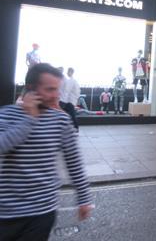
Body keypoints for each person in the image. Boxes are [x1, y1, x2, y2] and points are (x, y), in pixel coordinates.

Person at [0, 63, 92, 240]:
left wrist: (84, 199)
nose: (56, 95)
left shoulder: (61, 120)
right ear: (30, 89)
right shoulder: (7, 115)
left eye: (57, 89)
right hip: (6, 211)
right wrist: (29, 119)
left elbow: (74, 163)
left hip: (42, 212)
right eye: (50, 89)